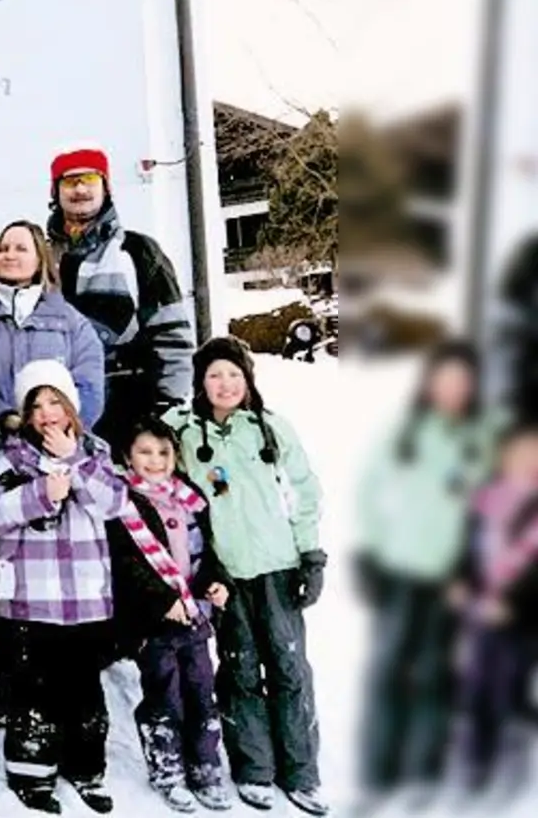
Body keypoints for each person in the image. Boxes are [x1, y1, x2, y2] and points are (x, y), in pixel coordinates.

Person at [164, 337, 327, 815]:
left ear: (248, 379)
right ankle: (254, 768)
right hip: (227, 574)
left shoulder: (270, 428)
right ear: (200, 382)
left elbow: (305, 491)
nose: (225, 384)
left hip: (279, 567)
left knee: (289, 667)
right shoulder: (184, 430)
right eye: (215, 375)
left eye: (234, 374)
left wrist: (311, 555)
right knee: (239, 669)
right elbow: (144, 454)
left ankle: (301, 770)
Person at [355, 342, 498, 812]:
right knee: (390, 669)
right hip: (400, 569)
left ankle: (425, 770)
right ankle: (382, 769)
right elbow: (370, 491)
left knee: (437, 673)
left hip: (453, 577)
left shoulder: (484, 436)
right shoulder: (407, 432)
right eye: (445, 378)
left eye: (462, 380)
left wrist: (475, 570)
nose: (453, 388)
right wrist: (373, 551)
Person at [0, 359, 123, 815]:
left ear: (71, 407)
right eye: (36, 405)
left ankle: (86, 768)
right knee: (33, 690)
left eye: (54, 402)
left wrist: (74, 462)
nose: (46, 414)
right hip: (30, 597)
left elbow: (115, 502)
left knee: (84, 690)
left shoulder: (95, 452)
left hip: (85, 599)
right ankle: (31, 772)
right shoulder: (10, 459)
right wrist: (41, 494)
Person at [109, 416, 233, 814]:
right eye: (145, 452)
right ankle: (168, 769)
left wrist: (215, 582)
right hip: (153, 621)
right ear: (128, 456)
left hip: (194, 615)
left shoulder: (188, 496)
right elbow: (126, 564)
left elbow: (205, 552)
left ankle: (205, 765)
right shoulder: (122, 502)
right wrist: (162, 601)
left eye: (163, 452)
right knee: (166, 693)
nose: (155, 460)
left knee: (201, 689)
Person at [48, 145, 193, 441]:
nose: (80, 189)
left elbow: (172, 336)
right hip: (60, 411)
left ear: (106, 187)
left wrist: (168, 407)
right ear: (55, 192)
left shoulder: (138, 251)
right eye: (70, 181)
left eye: (89, 179)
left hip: (131, 408)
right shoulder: (41, 258)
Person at [447, 425, 538, 802]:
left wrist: (512, 604)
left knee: (508, 689)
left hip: (523, 617)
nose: (526, 461)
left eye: (534, 455)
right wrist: (460, 579)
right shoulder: (487, 497)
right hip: (482, 610)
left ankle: (507, 767)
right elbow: (469, 547)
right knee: (478, 685)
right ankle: (477, 761)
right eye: (519, 453)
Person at [0, 220, 106, 431]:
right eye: (3, 249)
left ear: (40, 258)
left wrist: (64, 431)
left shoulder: (71, 322)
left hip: (57, 444)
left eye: (21, 249)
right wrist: (7, 419)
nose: (9, 255)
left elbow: (89, 388)